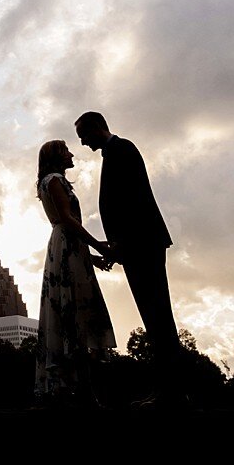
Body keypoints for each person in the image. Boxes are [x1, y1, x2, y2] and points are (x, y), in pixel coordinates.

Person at [75, 110, 183, 402]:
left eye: (84, 135)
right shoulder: (115, 153)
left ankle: (171, 392)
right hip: (135, 245)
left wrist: (120, 244)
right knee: (153, 316)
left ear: (98, 127)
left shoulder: (122, 149)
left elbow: (133, 202)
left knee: (158, 314)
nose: (83, 143)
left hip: (142, 244)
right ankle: (169, 390)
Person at [34, 137, 116, 404]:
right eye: (66, 150)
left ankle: (75, 390)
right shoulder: (55, 180)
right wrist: (99, 247)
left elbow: (66, 232)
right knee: (77, 317)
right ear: (57, 157)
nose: (72, 154)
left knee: (71, 316)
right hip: (67, 246)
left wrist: (89, 256)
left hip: (64, 249)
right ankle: (84, 393)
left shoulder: (47, 182)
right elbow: (69, 221)